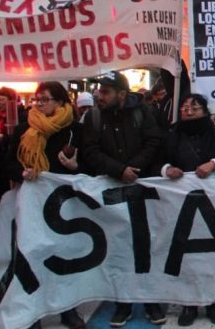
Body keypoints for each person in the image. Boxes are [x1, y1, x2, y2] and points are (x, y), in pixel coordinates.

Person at [80, 71, 166, 327]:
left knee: (146, 247)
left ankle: (150, 299)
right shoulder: (93, 118)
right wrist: (118, 171)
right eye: (99, 91)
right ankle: (123, 302)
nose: (99, 95)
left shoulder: (142, 113)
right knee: (118, 249)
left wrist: (134, 168)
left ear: (121, 93)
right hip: (113, 194)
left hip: (141, 191)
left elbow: (154, 142)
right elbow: (90, 151)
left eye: (105, 91)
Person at [159, 94, 215, 326]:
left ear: (205, 112)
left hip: (213, 208)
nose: (187, 112)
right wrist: (166, 169)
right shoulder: (171, 136)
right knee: (186, 257)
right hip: (181, 209)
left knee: (212, 255)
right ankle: (189, 302)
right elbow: (155, 161)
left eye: (194, 108)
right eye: (184, 108)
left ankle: (212, 300)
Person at [6, 81, 85, 329]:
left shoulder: (75, 130)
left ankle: (68, 309)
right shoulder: (24, 129)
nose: (39, 104)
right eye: (37, 100)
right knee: (33, 255)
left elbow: (89, 166)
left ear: (60, 102)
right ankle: (34, 311)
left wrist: (75, 167)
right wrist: (22, 172)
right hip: (31, 204)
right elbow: (6, 164)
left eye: (44, 99)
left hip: (63, 205)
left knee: (64, 255)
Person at [0, 87, 26, 195]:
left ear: (11, 100)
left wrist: (3, 138)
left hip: (14, 158)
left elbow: (22, 138)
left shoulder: (22, 115)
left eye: (2, 99)